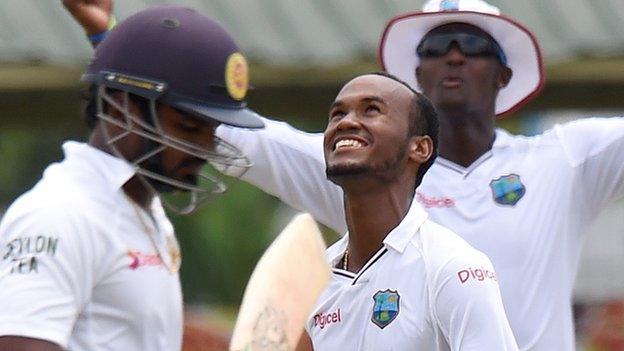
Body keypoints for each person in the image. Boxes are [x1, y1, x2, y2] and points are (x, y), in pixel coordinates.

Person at [68, 0, 624, 350]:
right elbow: (203, 123)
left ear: (504, 73)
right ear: (414, 72)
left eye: (474, 46)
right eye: (436, 47)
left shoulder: (564, 161)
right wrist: (114, 41)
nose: (454, 56)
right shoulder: (357, 163)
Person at [0, 5, 263, 351]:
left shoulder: (141, 209)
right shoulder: (59, 214)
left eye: (212, 131)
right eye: (187, 127)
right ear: (117, 106)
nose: (204, 148)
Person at [293, 72, 518, 350]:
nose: (347, 122)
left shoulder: (452, 267)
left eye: (371, 110)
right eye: (337, 114)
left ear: (420, 148)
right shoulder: (314, 280)